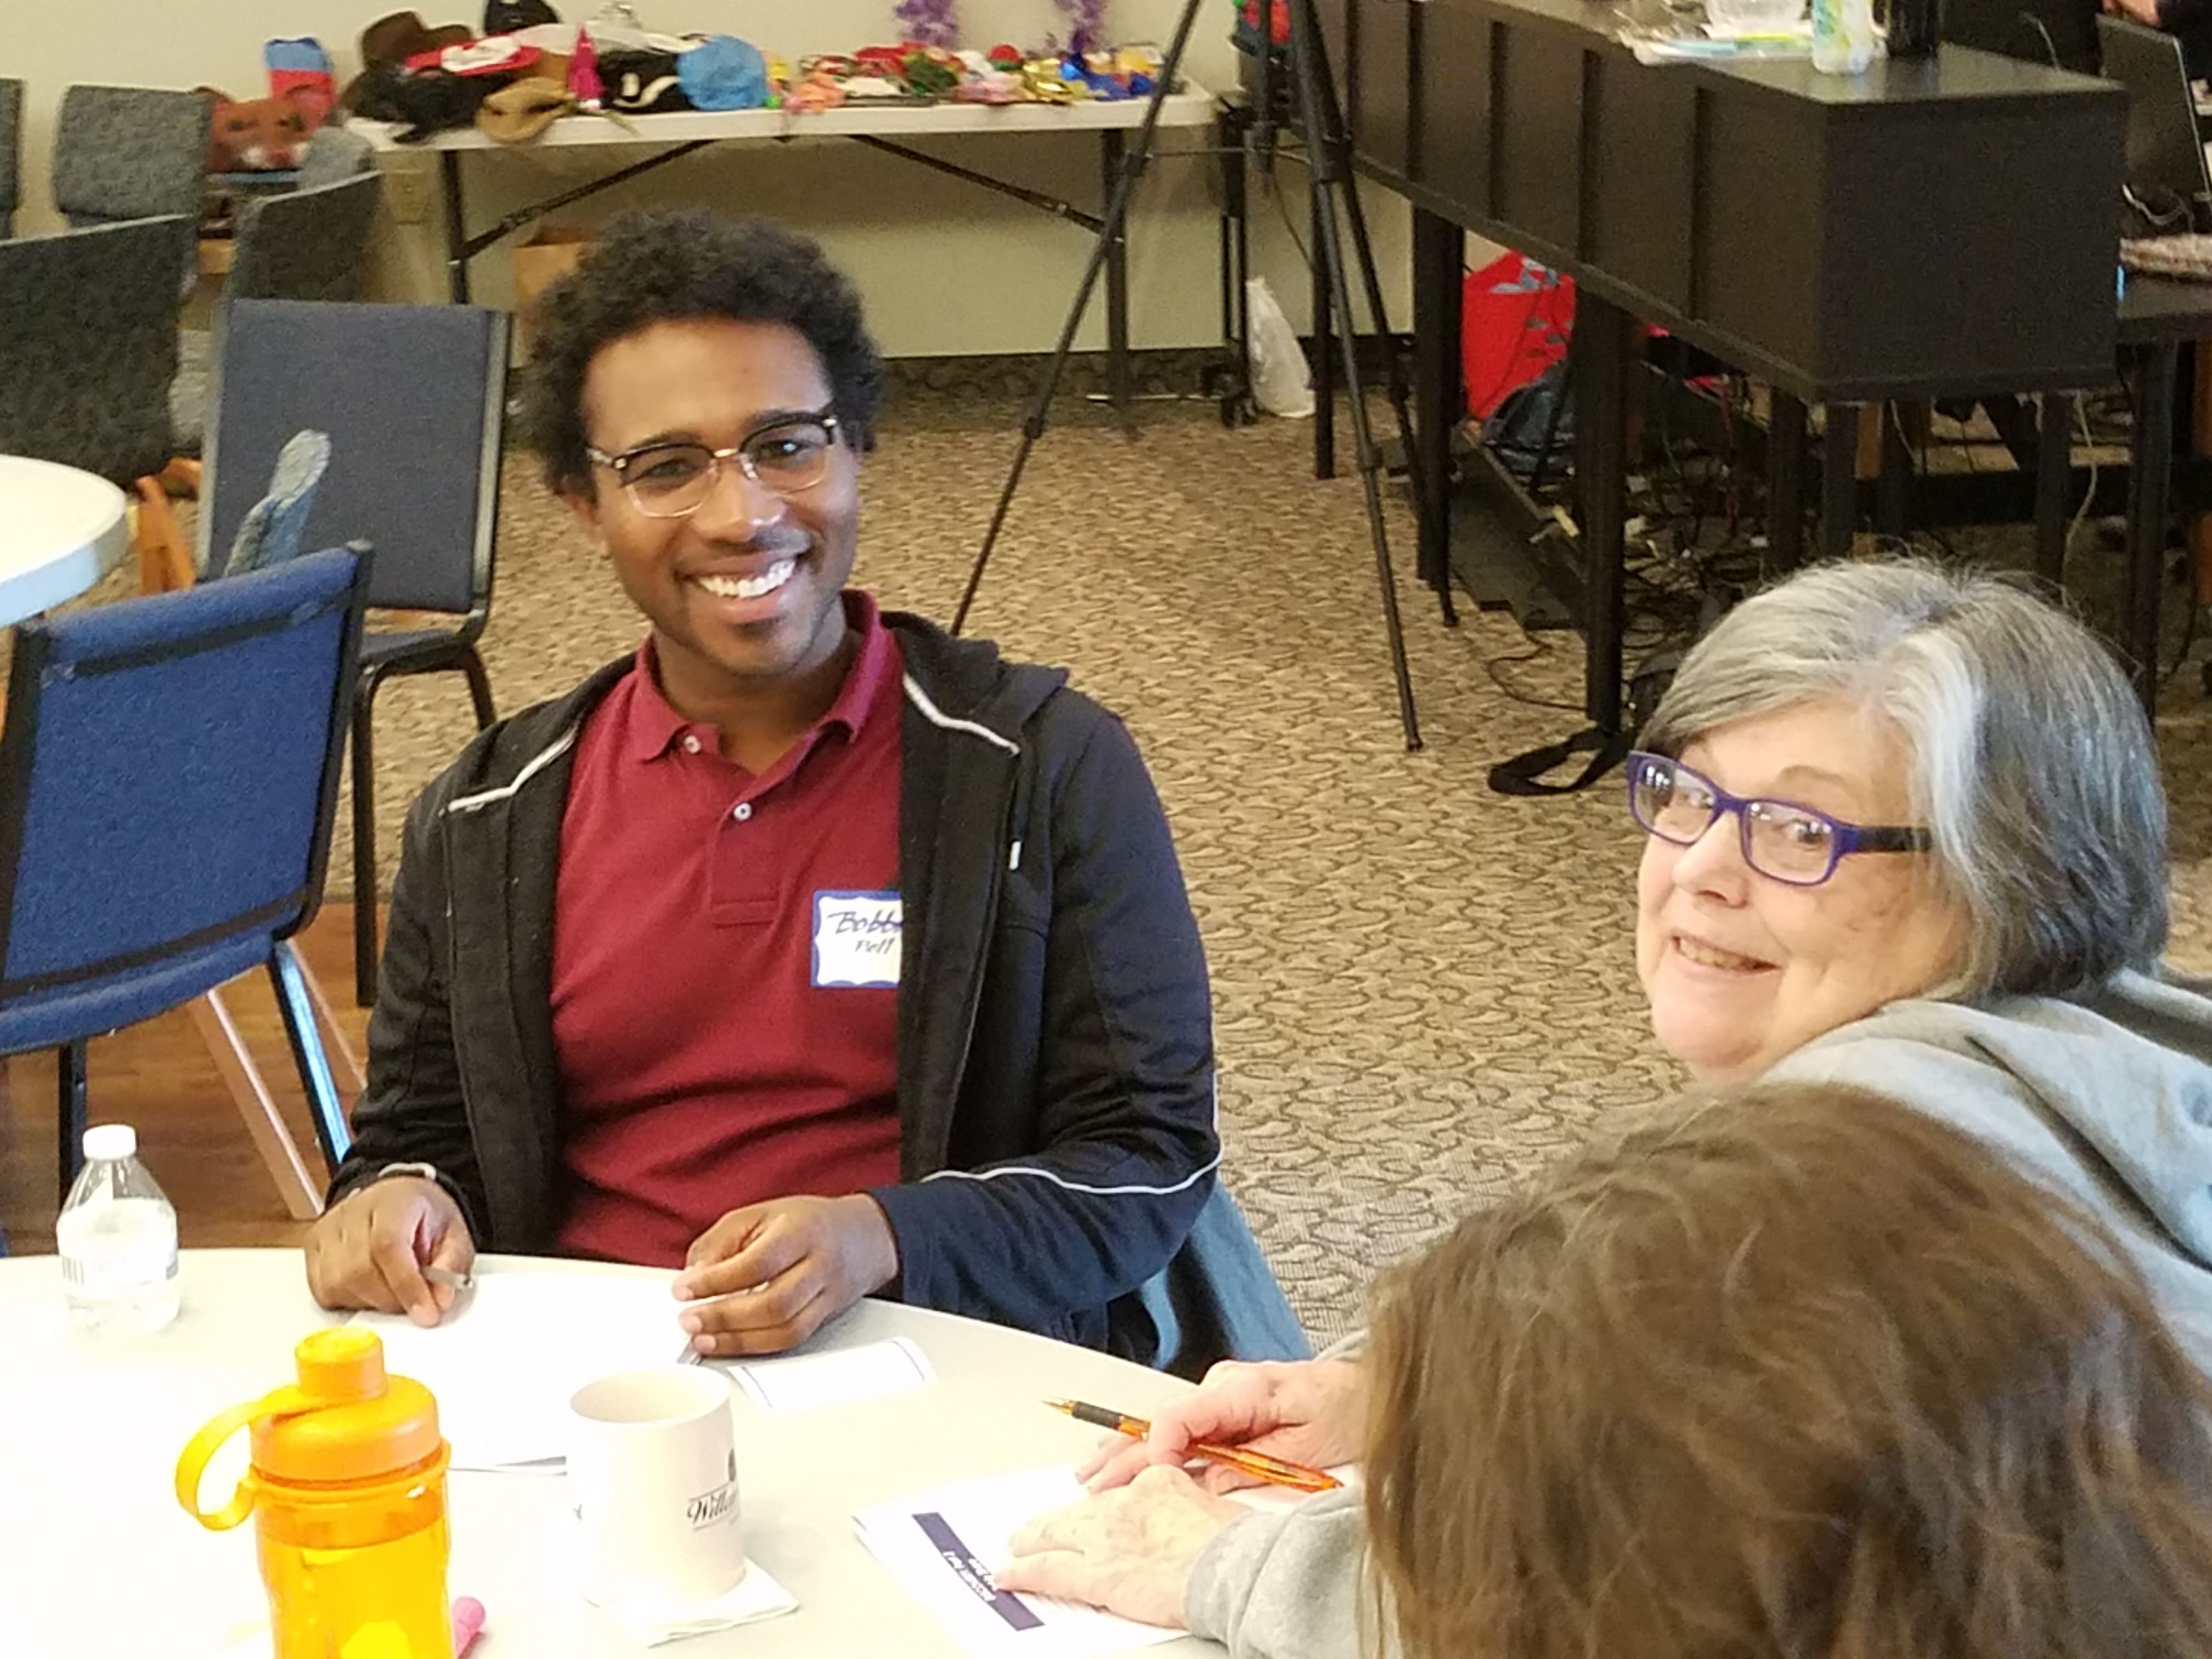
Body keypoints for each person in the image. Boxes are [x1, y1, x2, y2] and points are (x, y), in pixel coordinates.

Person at [997, 558, 2212, 1648]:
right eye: (1688, 796)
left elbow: (1587, 1613)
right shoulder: (2113, 1061)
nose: (1703, 869)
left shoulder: (1849, 1177)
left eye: (1799, 830)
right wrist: (1409, 1396)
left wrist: (1227, 1566)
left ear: (2011, 877)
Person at [302, 208, 1299, 1371]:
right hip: (592, 1385)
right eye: (666, 468)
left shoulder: (1042, 769)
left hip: (934, 1360)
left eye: (785, 446)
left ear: (856, 446)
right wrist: (397, 1200)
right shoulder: (487, 816)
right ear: (584, 507)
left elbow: (1148, 1159)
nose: (744, 515)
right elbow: (418, 1137)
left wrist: (881, 1236)